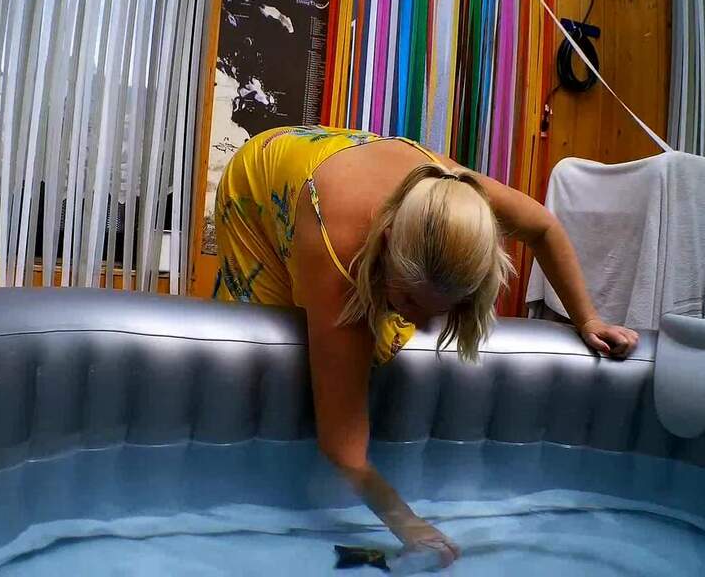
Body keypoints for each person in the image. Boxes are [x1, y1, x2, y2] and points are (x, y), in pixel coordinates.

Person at [212, 125, 639, 566]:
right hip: (262, 180)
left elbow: (544, 228)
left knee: (370, 343)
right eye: (411, 301)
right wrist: (409, 525)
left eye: (440, 310)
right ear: (384, 247)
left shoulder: (460, 203)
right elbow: (344, 449)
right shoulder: (338, 252)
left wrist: (587, 318)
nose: (420, 325)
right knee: (284, 358)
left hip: (346, 170)